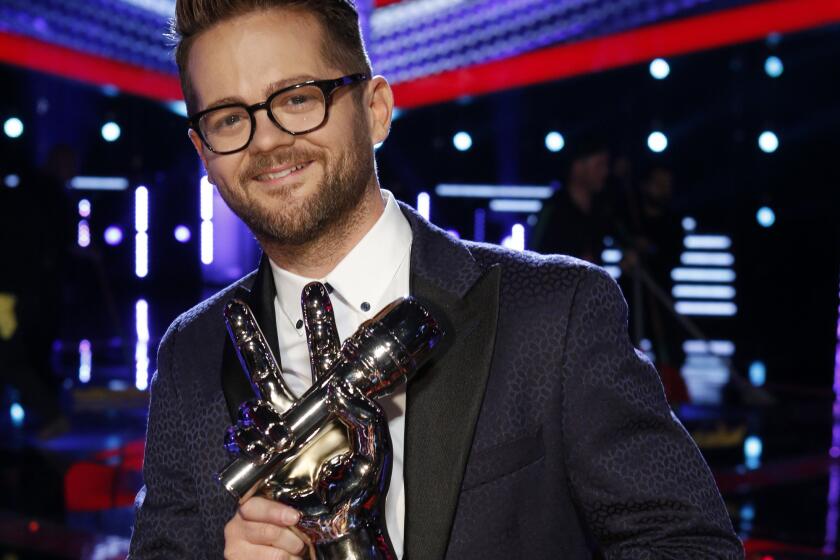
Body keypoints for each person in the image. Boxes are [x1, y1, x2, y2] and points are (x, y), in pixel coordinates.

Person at [128, 1, 743, 558]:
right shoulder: (192, 350)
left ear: (375, 111)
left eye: (296, 98)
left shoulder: (554, 311)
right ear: (202, 152)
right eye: (230, 118)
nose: (266, 140)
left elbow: (688, 545)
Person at [533, 138, 614, 263]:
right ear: (577, 166)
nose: (605, 172)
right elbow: (534, 256)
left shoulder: (602, 209)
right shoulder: (553, 208)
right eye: (599, 165)